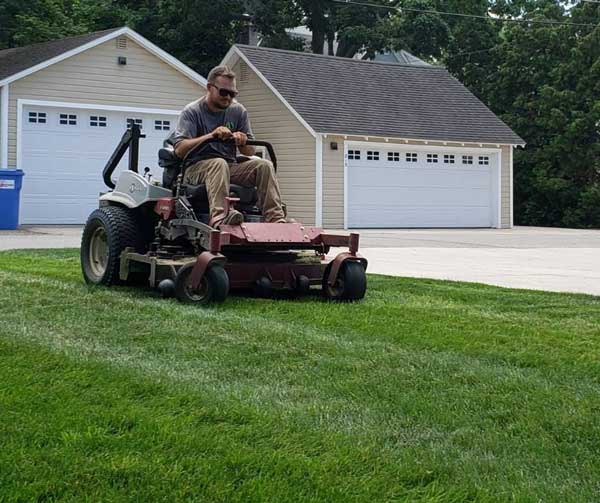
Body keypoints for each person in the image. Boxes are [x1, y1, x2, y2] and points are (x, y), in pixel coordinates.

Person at [169, 65, 286, 227]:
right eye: (224, 92)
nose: (228, 97)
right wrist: (211, 135)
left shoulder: (238, 112)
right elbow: (180, 150)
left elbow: (250, 151)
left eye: (232, 94)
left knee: (264, 165)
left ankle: (275, 218)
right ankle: (220, 216)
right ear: (210, 88)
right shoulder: (192, 112)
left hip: (228, 166)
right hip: (195, 168)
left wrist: (242, 140)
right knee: (218, 163)